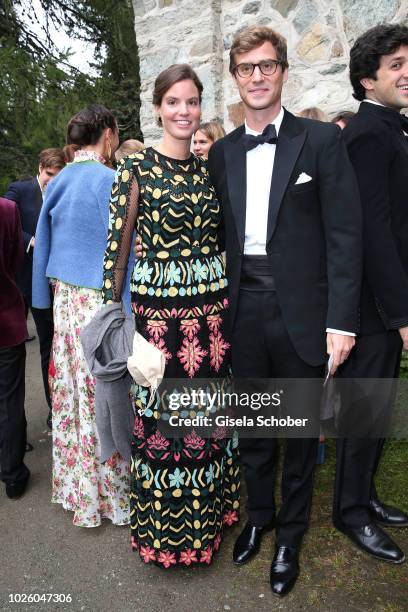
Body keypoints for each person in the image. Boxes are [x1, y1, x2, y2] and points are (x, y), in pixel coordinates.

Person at [207, 25, 362, 596]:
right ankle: (258, 517)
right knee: (251, 426)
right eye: (246, 67)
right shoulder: (221, 153)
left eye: (266, 65)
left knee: (297, 432)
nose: (256, 76)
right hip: (240, 307)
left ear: (282, 71)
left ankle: (291, 533)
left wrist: (342, 320)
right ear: (235, 76)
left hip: (303, 312)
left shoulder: (320, 142)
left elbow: (346, 236)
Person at [102, 63, 240, 567]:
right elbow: (116, 252)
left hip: (211, 319)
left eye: (192, 101)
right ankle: (169, 536)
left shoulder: (209, 169)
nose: (184, 111)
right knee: (163, 423)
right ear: (158, 108)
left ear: (201, 106)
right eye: (174, 102)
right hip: (159, 320)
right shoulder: (136, 168)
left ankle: (209, 523)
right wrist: (116, 324)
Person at [32, 104, 130, 528]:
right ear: (107, 134)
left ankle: (81, 493)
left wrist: (40, 299)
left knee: (72, 391)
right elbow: (123, 249)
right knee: (106, 394)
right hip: (101, 301)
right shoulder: (113, 180)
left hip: (65, 302)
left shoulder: (61, 179)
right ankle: (115, 498)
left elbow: (44, 237)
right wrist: (128, 307)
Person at [334, 23, 408, 564]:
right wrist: (401, 314)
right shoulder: (365, 135)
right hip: (373, 306)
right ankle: (349, 513)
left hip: (393, 297)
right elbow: (373, 232)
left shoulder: (396, 129)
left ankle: (367, 497)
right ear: (367, 80)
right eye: (397, 65)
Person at [4, 148, 66, 429]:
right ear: (40, 168)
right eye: (49, 175)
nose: (52, 181)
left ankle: (55, 408)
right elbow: (7, 225)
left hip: (47, 282)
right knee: (13, 356)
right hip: (19, 281)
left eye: (57, 176)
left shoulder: (62, 190)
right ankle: (16, 430)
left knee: (47, 347)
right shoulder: (18, 190)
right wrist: (31, 241)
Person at [0, 197, 30, 499]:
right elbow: (17, 260)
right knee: (9, 398)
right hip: (6, 316)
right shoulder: (7, 210)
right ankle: (11, 472)